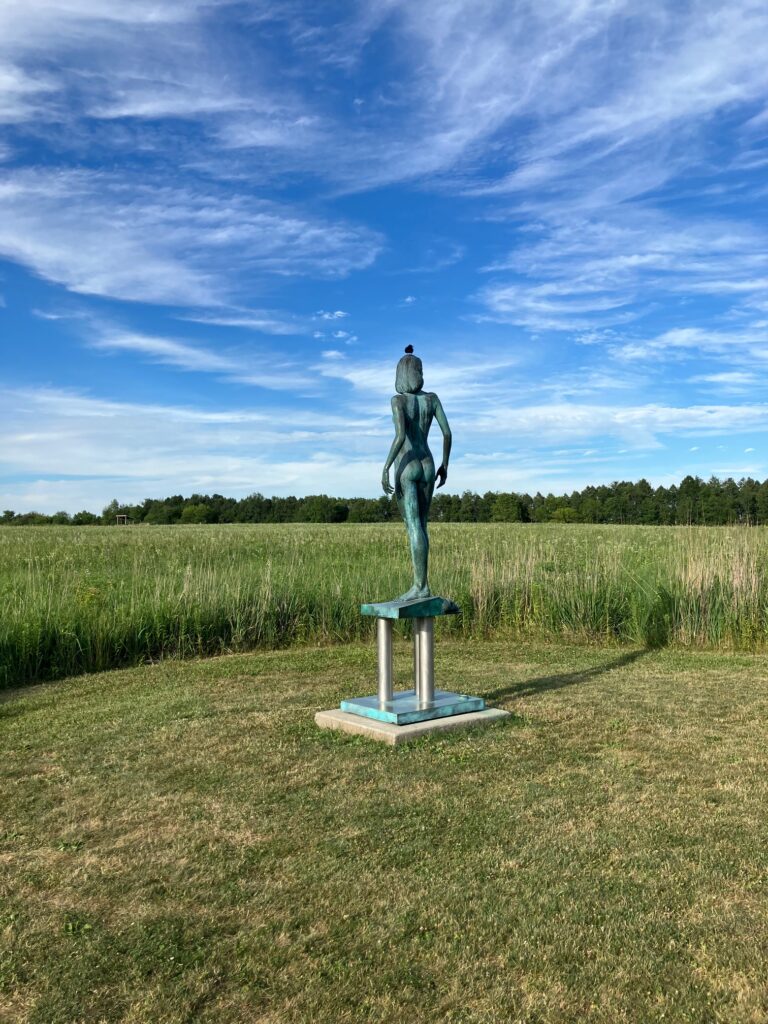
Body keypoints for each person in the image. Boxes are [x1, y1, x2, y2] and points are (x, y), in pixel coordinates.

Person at [381, 347, 452, 601]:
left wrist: (387, 467)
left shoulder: (397, 401)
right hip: (429, 463)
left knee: (413, 527)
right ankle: (422, 584)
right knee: (423, 525)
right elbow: (447, 433)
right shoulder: (431, 399)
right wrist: (445, 464)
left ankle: (419, 586)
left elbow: (400, 436)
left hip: (407, 464)